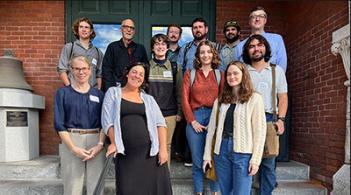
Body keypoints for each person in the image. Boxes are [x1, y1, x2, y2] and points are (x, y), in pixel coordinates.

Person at [102, 62, 172, 195]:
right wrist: (113, 142)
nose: (137, 76)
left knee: (154, 190)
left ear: (144, 79)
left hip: (151, 154)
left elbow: (161, 124)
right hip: (127, 155)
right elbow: (107, 121)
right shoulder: (113, 93)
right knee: (127, 189)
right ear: (127, 73)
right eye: (134, 72)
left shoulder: (148, 99)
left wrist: (163, 149)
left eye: (141, 74)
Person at [203, 61, 266, 195]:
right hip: (221, 151)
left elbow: (259, 132)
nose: (232, 77)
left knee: (241, 192)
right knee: (226, 192)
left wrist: (255, 160)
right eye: (229, 74)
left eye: (236, 73)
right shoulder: (220, 100)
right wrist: (207, 155)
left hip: (243, 153)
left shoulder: (255, 99)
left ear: (244, 75)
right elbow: (211, 131)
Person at [242, 34, 288, 195]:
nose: (256, 49)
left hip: (269, 119)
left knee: (268, 163)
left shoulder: (277, 71)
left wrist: (281, 119)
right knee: (246, 160)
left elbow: (282, 97)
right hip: (247, 121)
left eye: (259, 45)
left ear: (265, 48)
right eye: (252, 46)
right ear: (247, 51)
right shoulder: (243, 72)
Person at [54, 56, 106, 195]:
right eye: (77, 68)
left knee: (96, 186)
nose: (81, 72)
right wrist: (72, 148)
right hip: (71, 140)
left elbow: (105, 123)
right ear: (71, 70)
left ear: (90, 71)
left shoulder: (100, 95)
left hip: (96, 141)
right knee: (72, 186)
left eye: (84, 68)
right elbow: (59, 124)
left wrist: (100, 145)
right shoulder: (62, 93)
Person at [182, 40, 223, 195]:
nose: (206, 55)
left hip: (215, 116)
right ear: (198, 55)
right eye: (202, 52)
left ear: (213, 54)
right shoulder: (190, 74)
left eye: (208, 52)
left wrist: (217, 122)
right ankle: (198, 191)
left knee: (214, 156)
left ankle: (215, 191)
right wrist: (192, 121)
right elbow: (184, 99)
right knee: (198, 159)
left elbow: (224, 99)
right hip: (195, 116)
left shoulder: (220, 75)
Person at [146, 33, 183, 168]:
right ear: (152, 48)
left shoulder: (175, 67)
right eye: (157, 44)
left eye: (163, 44)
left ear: (167, 48)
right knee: (149, 144)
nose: (160, 46)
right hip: (149, 114)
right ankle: (150, 178)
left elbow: (179, 91)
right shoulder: (146, 67)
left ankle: (163, 179)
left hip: (170, 113)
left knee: (166, 145)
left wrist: (180, 111)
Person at [235, 6, 287, 73]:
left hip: (273, 82)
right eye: (253, 17)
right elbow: (237, 70)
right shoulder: (240, 46)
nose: (257, 19)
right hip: (249, 82)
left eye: (261, 16)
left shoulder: (277, 39)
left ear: (265, 20)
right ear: (249, 22)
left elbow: (282, 66)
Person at [102, 18, 148, 92]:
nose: (129, 30)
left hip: (135, 89)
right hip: (116, 88)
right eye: (126, 27)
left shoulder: (140, 49)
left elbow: (146, 69)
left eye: (131, 28)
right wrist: (110, 90)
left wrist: (142, 87)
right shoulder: (112, 47)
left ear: (134, 31)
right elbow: (106, 70)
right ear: (121, 29)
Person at [57, 17, 104, 89]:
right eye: (81, 27)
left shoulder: (97, 52)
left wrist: (98, 91)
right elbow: (62, 70)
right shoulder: (69, 47)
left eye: (86, 27)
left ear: (91, 31)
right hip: (74, 91)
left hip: (92, 91)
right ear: (77, 30)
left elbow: (99, 75)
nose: (84, 29)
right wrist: (70, 88)